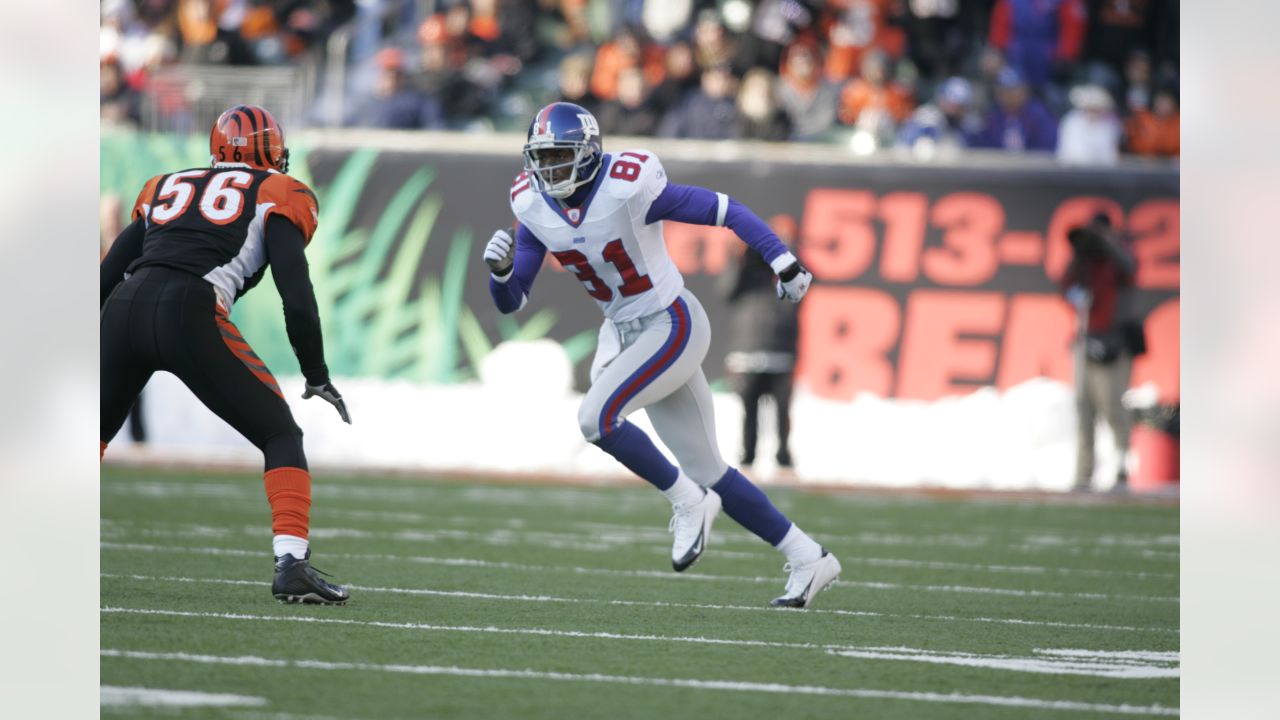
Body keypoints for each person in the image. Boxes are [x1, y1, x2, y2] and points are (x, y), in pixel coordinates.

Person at [484, 102, 841, 608]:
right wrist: (499, 274)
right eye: (542, 158)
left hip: (670, 322)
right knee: (709, 467)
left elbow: (725, 209)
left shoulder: (627, 186)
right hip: (627, 332)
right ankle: (809, 557)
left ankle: (688, 502)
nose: (549, 170)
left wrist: (783, 261)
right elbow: (515, 296)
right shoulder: (532, 203)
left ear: (588, 154)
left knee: (596, 419)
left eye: (561, 157)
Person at [100, 105, 352, 604]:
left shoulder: (165, 186)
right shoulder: (280, 192)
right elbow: (296, 297)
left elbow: (108, 274)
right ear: (274, 152)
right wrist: (316, 372)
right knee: (280, 433)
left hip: (125, 306)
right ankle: (291, 564)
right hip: (191, 309)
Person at [1061, 214, 1140, 492]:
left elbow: (1129, 268)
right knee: (1084, 406)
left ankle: (1121, 466)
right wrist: (1081, 253)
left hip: (1115, 342)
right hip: (1086, 340)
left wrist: (1109, 243)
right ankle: (1084, 472)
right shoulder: (1085, 262)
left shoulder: (1118, 257)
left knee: (1112, 405)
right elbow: (1065, 283)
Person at [721, 217, 799, 469]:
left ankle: (783, 457)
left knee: (782, 411)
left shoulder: (782, 278)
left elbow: (799, 286)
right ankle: (747, 458)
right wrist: (736, 254)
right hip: (747, 353)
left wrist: (785, 248)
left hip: (780, 352)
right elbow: (726, 289)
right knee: (749, 412)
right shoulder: (744, 277)